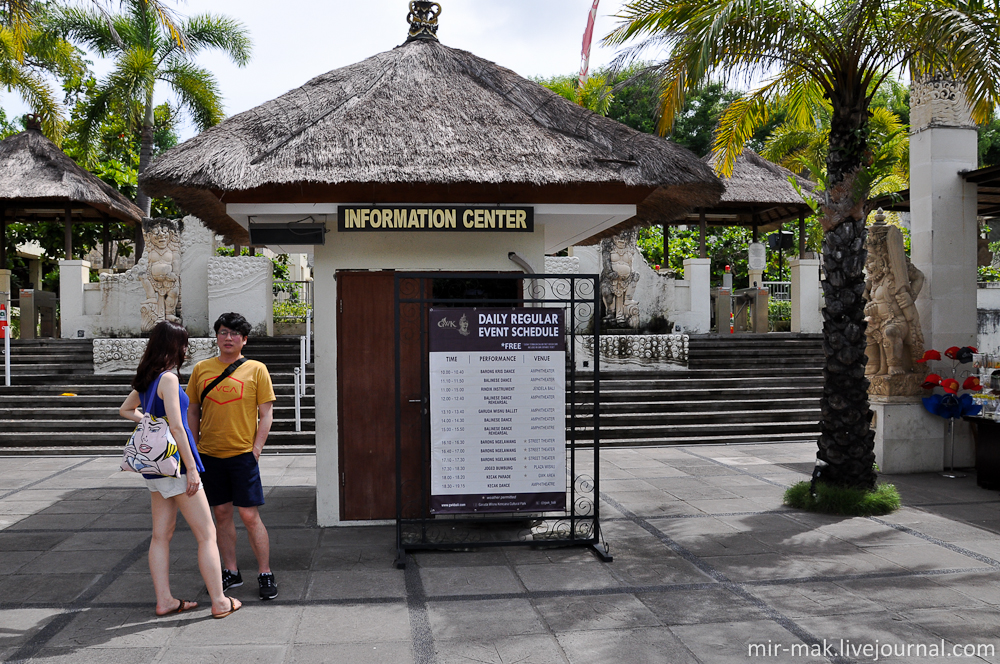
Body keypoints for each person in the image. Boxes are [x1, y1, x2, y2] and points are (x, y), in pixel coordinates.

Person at [119, 320, 242, 619]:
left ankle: (165, 600)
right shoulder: (169, 379)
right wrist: (192, 468)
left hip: (154, 469)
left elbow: (125, 410)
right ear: (175, 345)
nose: (186, 347)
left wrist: (150, 425)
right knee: (207, 534)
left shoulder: (147, 377)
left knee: (161, 535)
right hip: (175, 466)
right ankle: (220, 601)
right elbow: (177, 426)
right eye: (184, 342)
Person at [187, 312, 278, 600]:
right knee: (222, 514)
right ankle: (231, 571)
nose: (228, 338)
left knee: (250, 516)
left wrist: (257, 449)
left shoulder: (256, 369)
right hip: (210, 455)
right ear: (216, 337)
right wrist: (193, 444)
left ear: (244, 340)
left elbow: (266, 413)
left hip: (242, 455)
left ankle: (264, 571)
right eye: (224, 332)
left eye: (235, 334)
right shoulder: (201, 369)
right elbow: (192, 409)